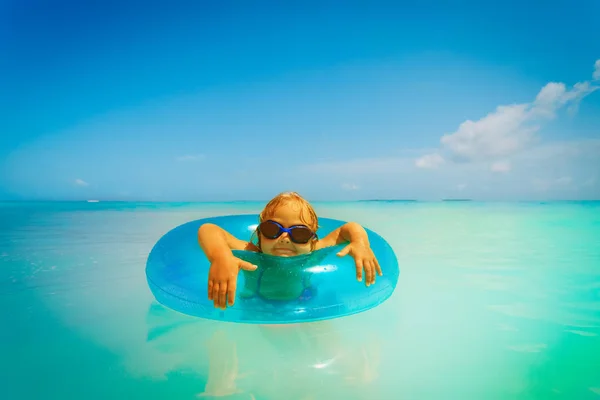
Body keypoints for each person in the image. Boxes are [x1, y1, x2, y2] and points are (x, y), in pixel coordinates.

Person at [197, 191, 383, 309]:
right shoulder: (252, 254)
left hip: (303, 300)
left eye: (299, 233)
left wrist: (361, 243)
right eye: (272, 230)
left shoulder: (313, 252)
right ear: (259, 235)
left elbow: (349, 228)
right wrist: (220, 256)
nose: (284, 238)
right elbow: (209, 229)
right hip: (257, 303)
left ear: (312, 239)